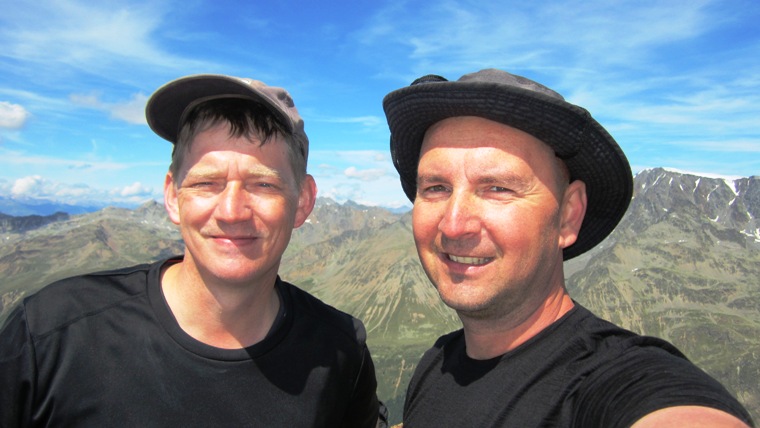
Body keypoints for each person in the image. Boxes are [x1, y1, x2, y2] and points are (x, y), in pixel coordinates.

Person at [0, 74, 385, 427]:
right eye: (207, 183)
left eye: (263, 185)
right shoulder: (49, 335)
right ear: (172, 196)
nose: (232, 211)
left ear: (303, 201)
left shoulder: (341, 352)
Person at [382, 69, 754, 427]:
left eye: (497, 188)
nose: (453, 224)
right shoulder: (437, 363)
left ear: (568, 216)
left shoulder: (614, 379)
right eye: (435, 188)